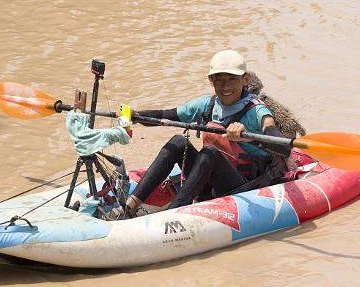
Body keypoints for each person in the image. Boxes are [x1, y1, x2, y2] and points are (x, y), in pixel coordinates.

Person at [107, 50, 293, 219]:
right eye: (218, 79)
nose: (225, 86)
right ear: (211, 80)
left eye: (232, 79)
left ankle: (174, 211)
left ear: (246, 78)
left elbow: (284, 147)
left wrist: (249, 137)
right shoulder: (208, 104)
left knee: (210, 153)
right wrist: (136, 116)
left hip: (242, 186)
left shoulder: (258, 112)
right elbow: (166, 115)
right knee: (179, 142)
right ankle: (130, 206)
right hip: (208, 182)